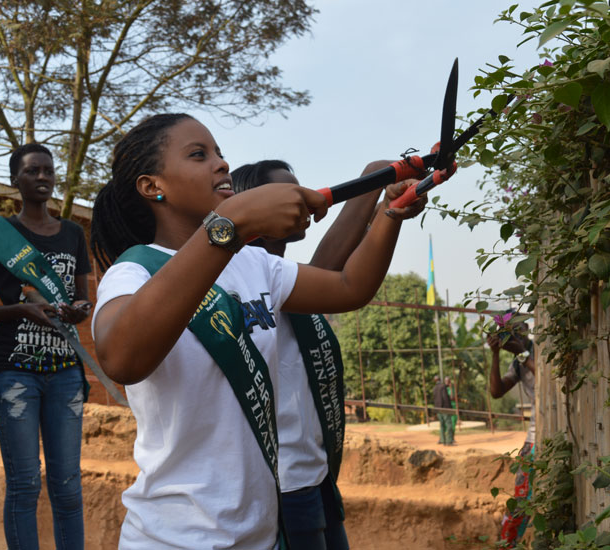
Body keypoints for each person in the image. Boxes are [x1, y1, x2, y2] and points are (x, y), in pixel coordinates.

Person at [90, 113, 428, 550]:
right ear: (152, 186)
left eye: (219, 153)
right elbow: (121, 359)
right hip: (174, 537)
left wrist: (390, 213)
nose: (222, 164)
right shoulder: (135, 271)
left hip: (260, 535)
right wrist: (231, 223)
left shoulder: (253, 263)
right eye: (199, 155)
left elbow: (349, 286)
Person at [232, 159, 394, 549]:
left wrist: (389, 203)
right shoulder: (246, 280)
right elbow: (330, 266)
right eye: (290, 194)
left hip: (315, 473)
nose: (303, 201)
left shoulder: (281, 274)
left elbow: (340, 255)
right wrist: (373, 179)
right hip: (285, 482)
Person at [0, 143, 92, 550]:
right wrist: (21, 309)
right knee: (25, 484)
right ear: (15, 180)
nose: (42, 177)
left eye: (48, 170)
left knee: (68, 486)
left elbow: (83, 301)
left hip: (65, 371)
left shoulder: (73, 234)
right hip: (14, 371)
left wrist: (78, 310)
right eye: (32, 171)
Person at [487, 315, 535, 547]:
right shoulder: (518, 361)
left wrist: (521, 353)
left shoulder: (538, 351)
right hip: (534, 437)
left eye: (518, 329)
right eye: (509, 331)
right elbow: (496, 392)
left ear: (526, 327)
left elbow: (548, 377)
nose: (515, 335)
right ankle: (509, 543)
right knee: (521, 498)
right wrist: (495, 354)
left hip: (552, 432)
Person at [432, 375, 453, 445]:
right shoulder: (443, 387)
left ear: (434, 381)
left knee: (442, 425)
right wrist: (449, 408)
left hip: (438, 409)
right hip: (444, 408)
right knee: (449, 424)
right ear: (440, 379)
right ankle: (449, 441)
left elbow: (434, 399)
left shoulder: (434, 388)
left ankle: (442, 440)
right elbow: (445, 398)